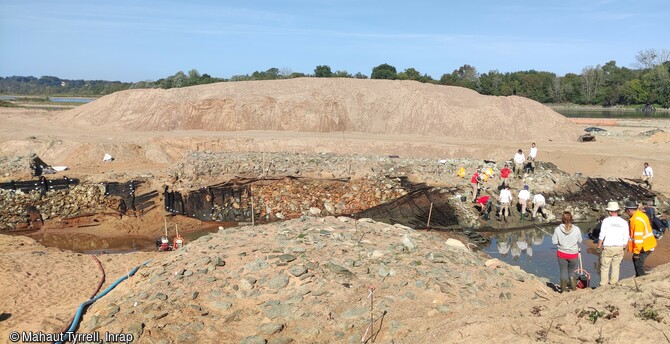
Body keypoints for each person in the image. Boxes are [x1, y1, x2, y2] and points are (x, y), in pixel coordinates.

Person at [596, 201, 630, 287]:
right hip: (619, 247)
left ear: (610, 212)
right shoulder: (624, 222)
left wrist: (599, 246)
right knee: (616, 266)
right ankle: (613, 283)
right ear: (617, 211)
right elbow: (626, 236)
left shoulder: (606, 221)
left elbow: (602, 234)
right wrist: (624, 246)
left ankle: (603, 284)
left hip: (608, 246)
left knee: (604, 267)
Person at [552, 211, 582, 292]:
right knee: (571, 271)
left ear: (562, 219)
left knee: (563, 271)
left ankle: (563, 290)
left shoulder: (557, 229)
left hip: (562, 253)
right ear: (571, 218)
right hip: (573, 254)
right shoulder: (576, 229)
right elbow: (580, 240)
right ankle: (574, 288)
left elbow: (554, 242)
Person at [625, 200, 657, 277]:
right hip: (648, 243)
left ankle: (641, 278)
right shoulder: (641, 215)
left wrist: (636, 252)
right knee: (637, 260)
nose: (625, 213)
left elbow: (638, 238)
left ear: (629, 210)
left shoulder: (636, 221)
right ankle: (639, 276)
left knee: (638, 261)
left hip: (644, 245)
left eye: (626, 211)